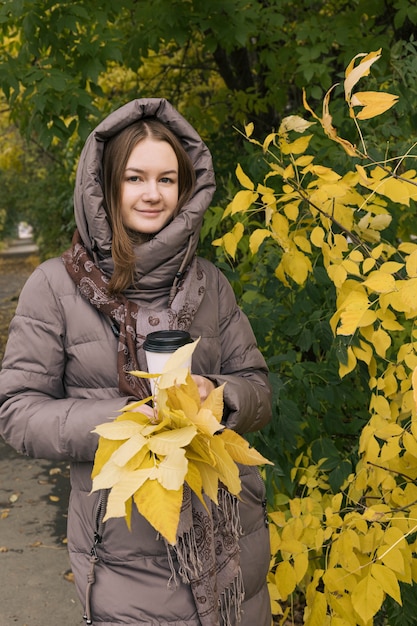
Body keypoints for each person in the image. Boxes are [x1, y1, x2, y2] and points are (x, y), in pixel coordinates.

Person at [0, 98, 272, 626]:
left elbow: (256, 387)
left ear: (185, 189)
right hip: (127, 557)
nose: (153, 194)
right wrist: (122, 421)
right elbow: (16, 411)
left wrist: (218, 394)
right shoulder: (56, 288)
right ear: (105, 186)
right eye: (135, 177)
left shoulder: (208, 283)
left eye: (167, 179)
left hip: (233, 548)